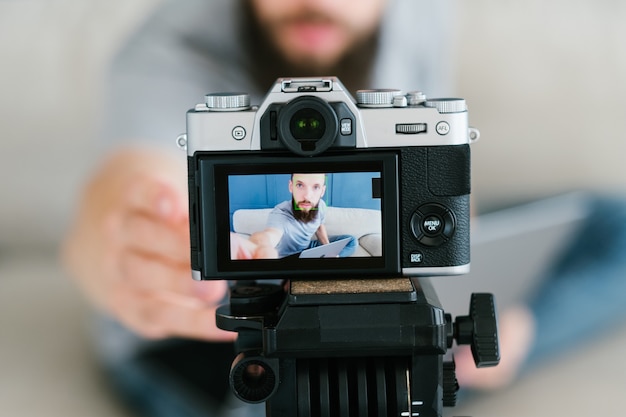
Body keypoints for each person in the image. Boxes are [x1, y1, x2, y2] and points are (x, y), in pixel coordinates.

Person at [62, 1, 626, 416]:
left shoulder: (417, 16)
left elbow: (435, 187)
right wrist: (123, 248)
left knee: (616, 224)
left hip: (382, 302)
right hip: (204, 337)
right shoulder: (173, 43)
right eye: (299, 186)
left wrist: (479, 279)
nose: (318, 1)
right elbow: (123, 195)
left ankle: (474, 350)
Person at [245, 173, 357, 259]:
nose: (307, 196)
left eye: (316, 187)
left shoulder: (321, 205)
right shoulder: (280, 213)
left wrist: (329, 250)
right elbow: (270, 235)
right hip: (290, 257)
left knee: (351, 241)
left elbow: (319, 226)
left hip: (309, 248)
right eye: (300, 185)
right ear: (291, 187)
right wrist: (257, 246)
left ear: (322, 191)